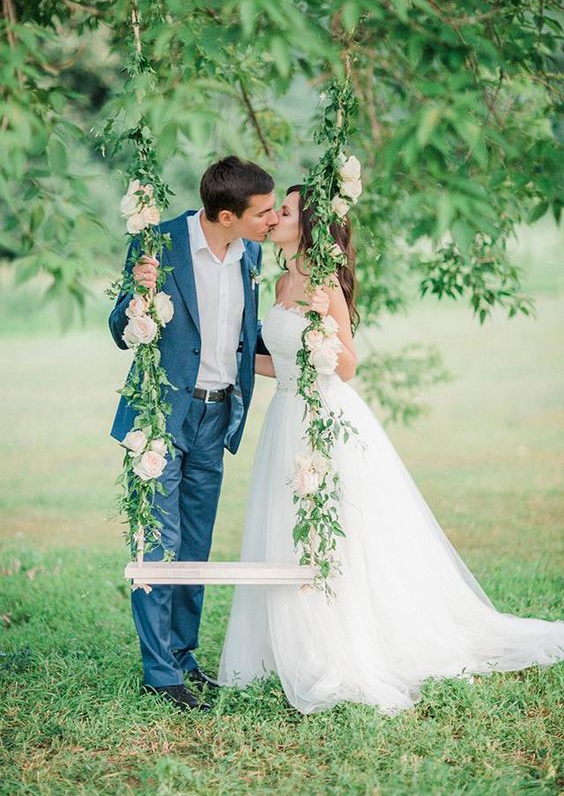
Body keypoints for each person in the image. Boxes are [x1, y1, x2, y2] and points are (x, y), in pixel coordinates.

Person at [219, 185, 564, 715]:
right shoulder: (282, 278)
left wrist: (319, 327)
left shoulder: (322, 282)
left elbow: (349, 363)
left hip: (324, 418)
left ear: (306, 225)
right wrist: (233, 362)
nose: (273, 219)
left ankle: (346, 642)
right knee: (287, 528)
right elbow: (278, 363)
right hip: (286, 414)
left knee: (339, 532)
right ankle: (295, 643)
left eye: (283, 212)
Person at [109, 156, 278, 712]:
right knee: (160, 543)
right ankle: (159, 673)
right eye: (263, 212)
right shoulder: (158, 244)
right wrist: (138, 294)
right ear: (226, 215)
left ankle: (182, 656)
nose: (272, 220)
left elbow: (246, 339)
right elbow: (119, 329)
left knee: (197, 545)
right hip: (161, 415)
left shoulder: (251, 254)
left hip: (218, 415)